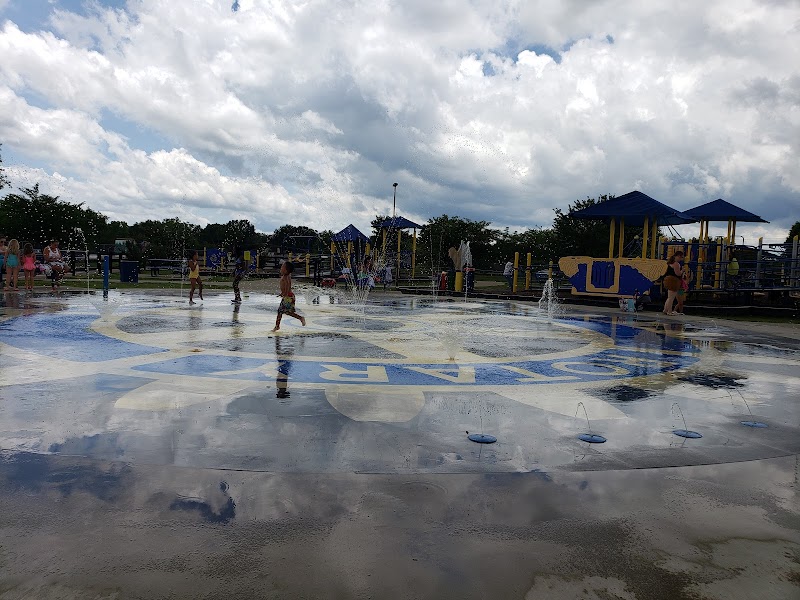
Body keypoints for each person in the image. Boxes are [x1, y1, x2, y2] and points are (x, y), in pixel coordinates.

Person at [271, 261, 306, 331]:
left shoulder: (285, 277)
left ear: (286, 270)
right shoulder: (287, 276)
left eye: (282, 267)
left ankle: (300, 318)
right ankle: (277, 326)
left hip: (288, 297)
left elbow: (287, 286)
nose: (280, 269)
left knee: (283, 311)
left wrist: (285, 293)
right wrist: (283, 293)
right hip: (289, 296)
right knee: (283, 311)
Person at [662, 250, 684, 315]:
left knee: (669, 297)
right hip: (674, 281)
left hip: (668, 280)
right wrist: (682, 270)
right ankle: (669, 311)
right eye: (681, 257)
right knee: (671, 298)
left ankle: (665, 310)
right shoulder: (676, 264)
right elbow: (678, 274)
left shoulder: (669, 263)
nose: (681, 259)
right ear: (678, 256)